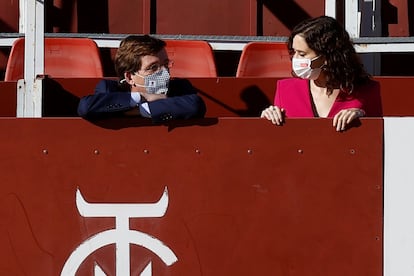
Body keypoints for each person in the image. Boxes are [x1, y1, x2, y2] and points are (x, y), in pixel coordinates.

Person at [260, 16, 382, 131]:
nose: (295, 59)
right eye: (294, 52)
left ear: (327, 57)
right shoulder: (285, 90)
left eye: (302, 54)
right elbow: (278, 139)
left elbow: (377, 137)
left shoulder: (367, 90)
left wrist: (364, 118)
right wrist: (268, 119)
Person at [77, 35, 206, 122]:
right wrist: (143, 97)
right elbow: (86, 108)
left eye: (166, 64)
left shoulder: (179, 88)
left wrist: (140, 110)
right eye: (153, 67)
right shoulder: (110, 89)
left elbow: (196, 106)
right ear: (129, 77)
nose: (164, 72)